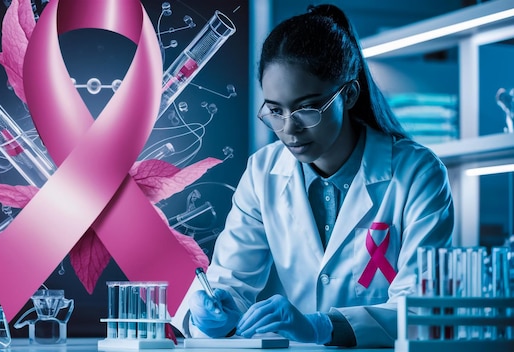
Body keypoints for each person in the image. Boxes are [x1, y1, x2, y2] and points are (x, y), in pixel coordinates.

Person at [171, 3, 454, 348]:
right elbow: (230, 282)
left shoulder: (417, 174)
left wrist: (322, 327)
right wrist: (214, 315)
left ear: (348, 95)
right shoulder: (264, 173)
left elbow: (421, 309)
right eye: (275, 110)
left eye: (306, 108)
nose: (288, 129)